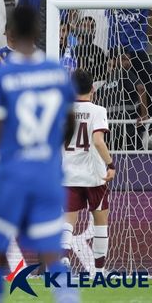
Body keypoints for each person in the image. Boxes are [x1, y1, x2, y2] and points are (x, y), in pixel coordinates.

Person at [0, 5, 78, 303]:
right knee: (52, 253)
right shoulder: (57, 72)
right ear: (38, 32)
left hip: (13, 174)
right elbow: (69, 120)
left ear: (11, 33)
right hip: (47, 174)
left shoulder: (2, 75)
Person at [61, 69, 115, 274]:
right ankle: (99, 272)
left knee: (68, 221)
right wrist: (111, 165)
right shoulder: (98, 110)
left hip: (68, 174)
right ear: (93, 88)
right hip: (95, 176)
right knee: (100, 223)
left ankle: (63, 258)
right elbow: (98, 141)